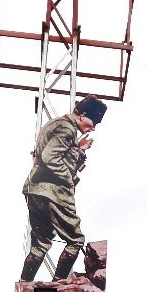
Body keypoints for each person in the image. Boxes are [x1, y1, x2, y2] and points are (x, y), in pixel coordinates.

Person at [19, 94, 107, 281]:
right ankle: (59, 282)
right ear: (82, 115)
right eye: (94, 122)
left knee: (40, 243)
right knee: (76, 239)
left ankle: (25, 283)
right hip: (53, 191)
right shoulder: (67, 129)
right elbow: (50, 158)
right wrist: (68, 180)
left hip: (35, 190)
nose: (93, 127)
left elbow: (52, 152)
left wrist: (78, 148)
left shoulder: (56, 124)